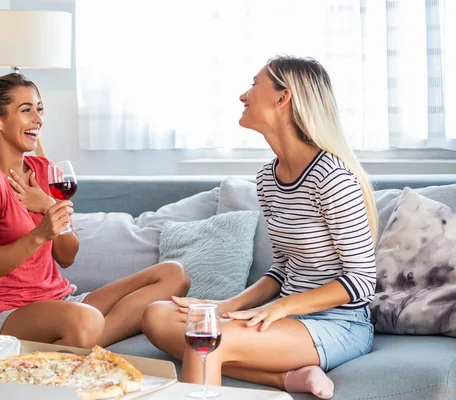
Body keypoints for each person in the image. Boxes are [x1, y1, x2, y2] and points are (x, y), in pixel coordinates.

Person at [141, 55, 378, 399]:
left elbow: (361, 281)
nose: (243, 95)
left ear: (283, 98)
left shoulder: (332, 179)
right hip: (282, 319)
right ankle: (287, 378)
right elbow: (282, 267)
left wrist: (280, 307)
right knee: (157, 316)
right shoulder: (268, 178)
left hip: (337, 324)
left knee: (206, 341)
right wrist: (225, 306)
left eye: (254, 84)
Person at [0, 73, 190, 348]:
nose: (38, 120)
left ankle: (81, 342)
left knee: (174, 275)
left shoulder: (43, 170)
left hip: (60, 300)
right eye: (26, 110)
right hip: (3, 313)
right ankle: (83, 339)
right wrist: (39, 234)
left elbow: (67, 256)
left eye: (39, 110)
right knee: (85, 320)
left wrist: (49, 207)